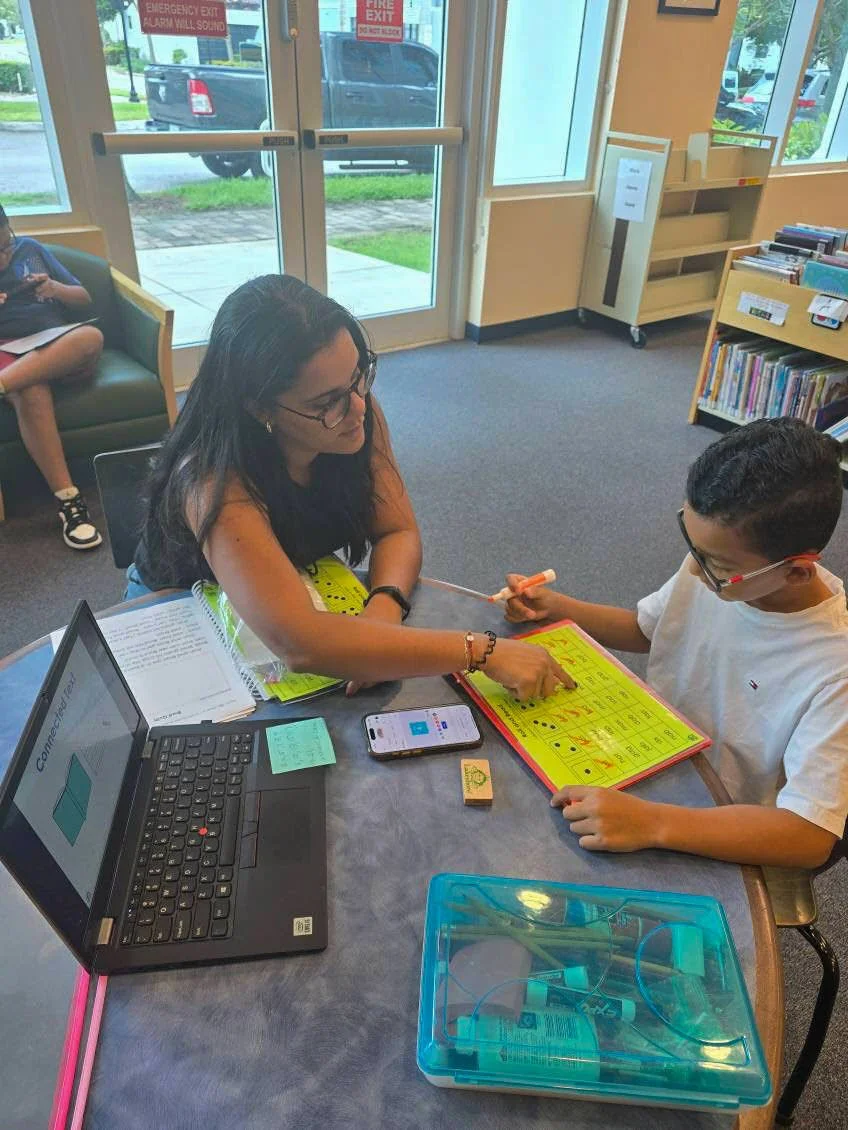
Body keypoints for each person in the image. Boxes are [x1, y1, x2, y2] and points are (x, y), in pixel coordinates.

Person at [131, 274, 573, 701]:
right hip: (179, 616)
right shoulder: (212, 478)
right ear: (259, 407)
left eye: (360, 375)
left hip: (292, 592)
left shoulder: (355, 412)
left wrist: (384, 607)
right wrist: (479, 650)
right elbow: (300, 643)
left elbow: (397, 532)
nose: (358, 407)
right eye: (326, 402)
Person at [502, 418, 848, 869]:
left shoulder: (834, 670)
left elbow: (809, 836)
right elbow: (648, 630)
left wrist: (653, 823)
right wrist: (559, 607)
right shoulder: (720, 571)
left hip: (719, 825)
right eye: (691, 543)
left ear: (798, 571)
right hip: (650, 757)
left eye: (715, 564)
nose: (692, 571)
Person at [0, 204, 104, 548]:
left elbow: (84, 298)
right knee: (30, 388)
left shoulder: (31, 251)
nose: (4, 257)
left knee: (91, 337)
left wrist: (55, 289)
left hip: (57, 346)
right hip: (8, 353)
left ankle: (6, 383)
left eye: (5, 246)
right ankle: (70, 503)